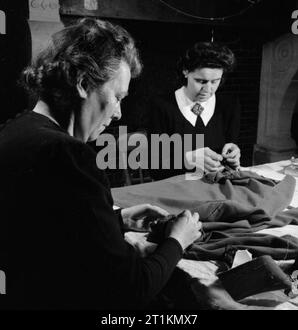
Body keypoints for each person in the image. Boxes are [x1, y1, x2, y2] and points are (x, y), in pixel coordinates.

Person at [0, 18, 202, 310]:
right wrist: (177, 241)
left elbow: (48, 232)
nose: (118, 113)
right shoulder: (68, 154)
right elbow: (132, 288)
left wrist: (117, 220)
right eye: (117, 97)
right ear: (83, 84)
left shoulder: (14, 130)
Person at [147, 42, 241, 181]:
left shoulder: (229, 105)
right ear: (185, 71)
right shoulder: (161, 106)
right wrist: (189, 159)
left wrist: (233, 155)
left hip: (217, 185)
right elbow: (155, 168)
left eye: (215, 81)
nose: (208, 90)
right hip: (177, 187)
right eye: (201, 81)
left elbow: (229, 155)